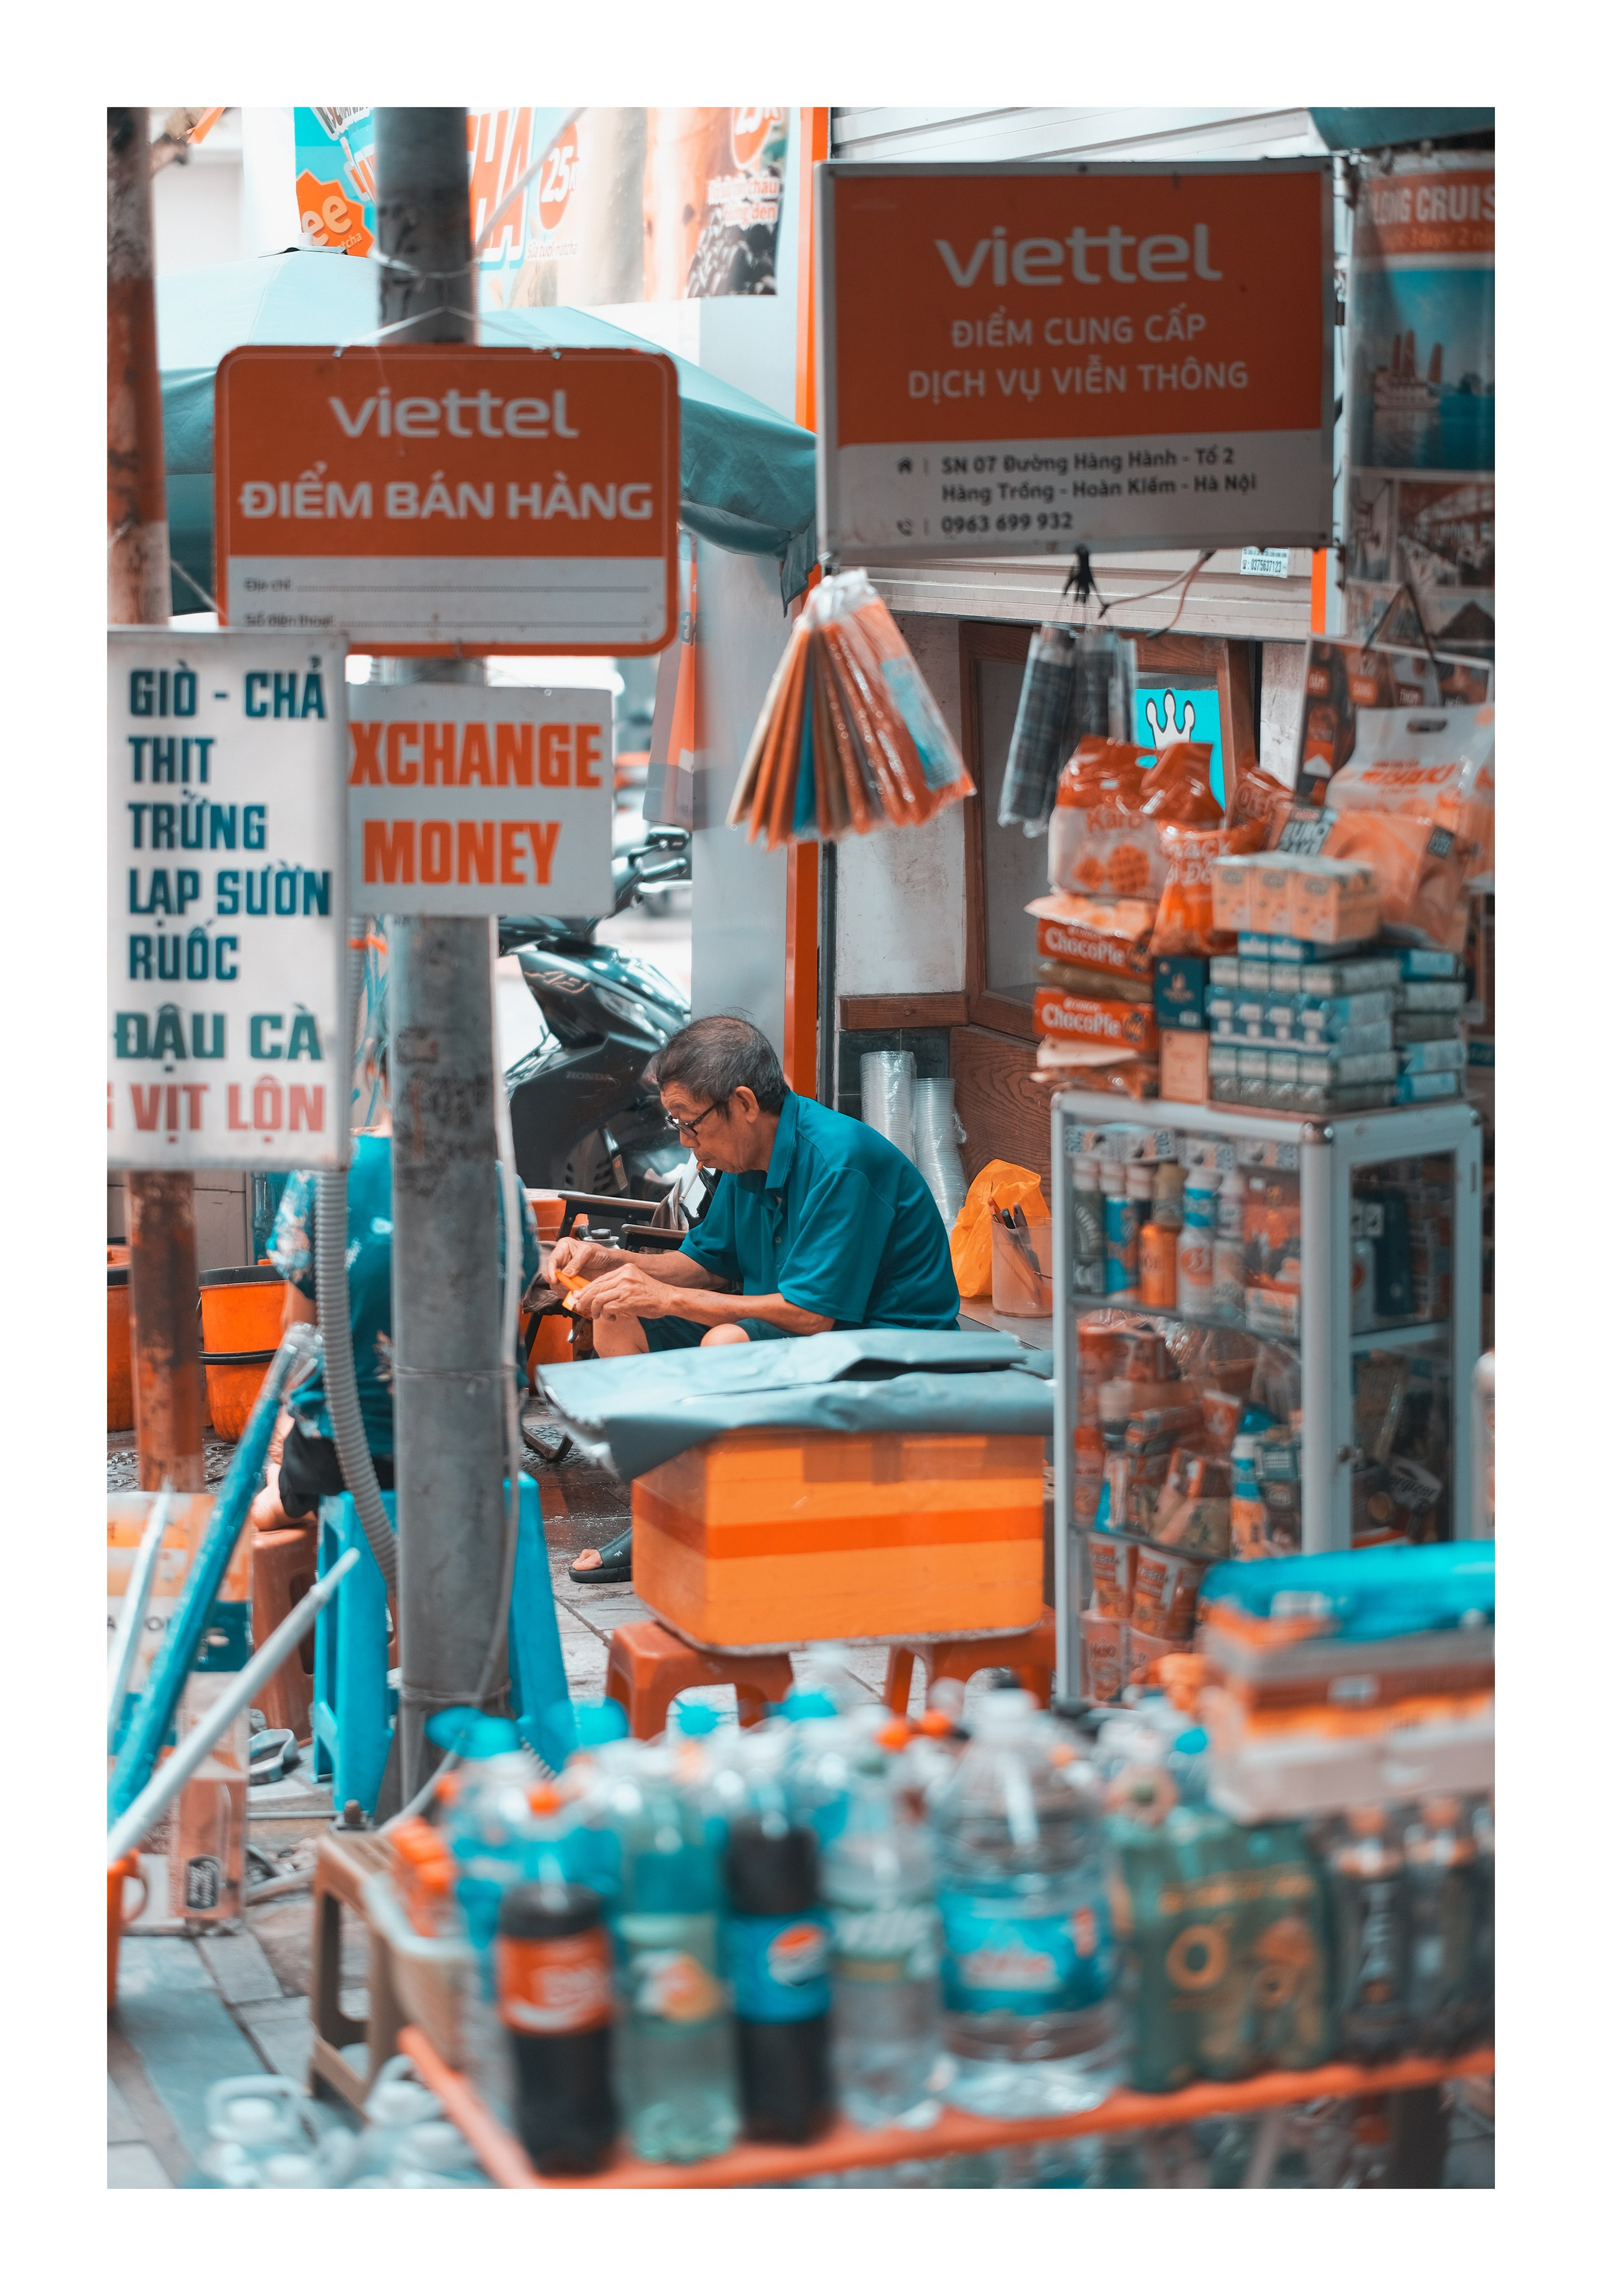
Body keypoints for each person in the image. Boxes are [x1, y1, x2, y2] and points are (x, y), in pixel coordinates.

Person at [553, 1014, 960, 1581]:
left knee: (726, 1344)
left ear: (743, 1102)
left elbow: (810, 1314)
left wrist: (668, 1299)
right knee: (619, 1314)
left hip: (888, 1353)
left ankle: (716, 1520)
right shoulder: (744, 1159)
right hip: (809, 1333)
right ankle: (662, 1512)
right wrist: (612, 1261)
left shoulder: (840, 1161)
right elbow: (705, 1265)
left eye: (691, 1125)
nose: (688, 1146)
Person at [249, 991, 534, 1534]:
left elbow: (298, 1333)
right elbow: (504, 1326)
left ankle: (278, 1513)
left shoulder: (326, 1178)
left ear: (378, 1062)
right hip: (479, 1451)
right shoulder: (505, 1187)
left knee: (272, 1500)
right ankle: (413, 1619)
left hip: (352, 1454)